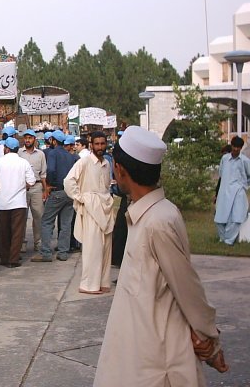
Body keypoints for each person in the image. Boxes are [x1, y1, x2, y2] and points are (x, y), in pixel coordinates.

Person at [94, 125, 228, 387]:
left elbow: (188, 290)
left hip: (154, 356)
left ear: (120, 170)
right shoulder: (144, 214)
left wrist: (209, 342)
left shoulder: (159, 221)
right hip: (134, 346)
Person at [64, 131, 114, 294]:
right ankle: (88, 285)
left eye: (102, 143)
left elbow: (106, 186)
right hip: (91, 208)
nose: (100, 147)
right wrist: (80, 198)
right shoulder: (84, 162)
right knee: (93, 248)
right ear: (91, 145)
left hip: (105, 207)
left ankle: (102, 282)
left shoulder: (107, 163)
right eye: (97, 144)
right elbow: (68, 181)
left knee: (106, 247)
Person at [31, 130, 76, 262]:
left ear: (54, 141)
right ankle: (63, 252)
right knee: (66, 223)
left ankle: (45, 252)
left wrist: (50, 184)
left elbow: (50, 170)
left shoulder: (53, 153)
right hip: (69, 192)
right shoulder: (70, 155)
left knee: (47, 221)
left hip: (57, 191)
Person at [0, 137, 36, 267]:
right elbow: (31, 181)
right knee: (17, 232)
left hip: (1, 202)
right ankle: (14, 259)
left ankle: (4, 258)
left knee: (3, 231)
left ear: (6, 148)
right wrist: (22, 186)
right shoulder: (23, 163)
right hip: (18, 202)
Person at [214, 135, 250, 245]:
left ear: (241, 148)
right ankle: (223, 238)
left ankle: (228, 241)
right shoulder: (225, 159)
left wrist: (243, 185)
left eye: (238, 147)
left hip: (238, 192)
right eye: (234, 146)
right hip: (224, 191)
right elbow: (221, 175)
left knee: (236, 218)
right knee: (220, 218)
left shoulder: (245, 160)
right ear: (232, 145)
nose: (236, 149)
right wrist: (216, 192)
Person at [18, 129, 48, 252]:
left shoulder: (40, 154)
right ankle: (22, 243)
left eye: (30, 138)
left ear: (34, 139)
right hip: (22, 187)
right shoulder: (19, 153)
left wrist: (45, 190)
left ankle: (38, 242)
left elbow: (43, 174)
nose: (28, 140)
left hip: (36, 187)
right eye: (26, 138)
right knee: (21, 216)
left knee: (38, 216)